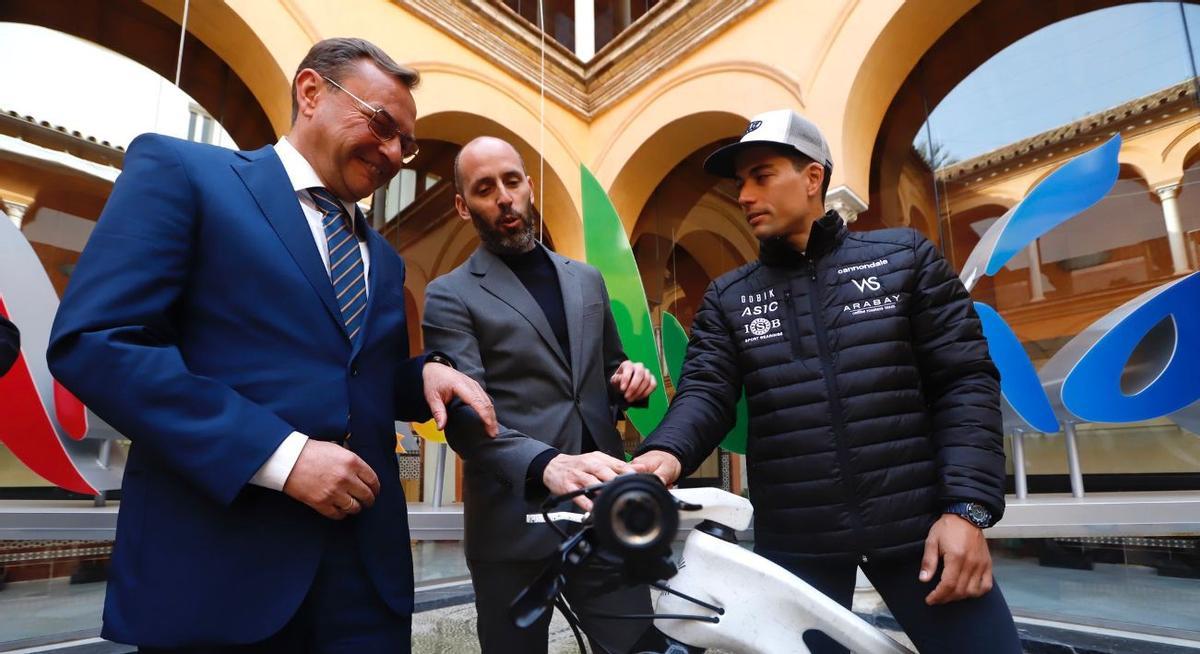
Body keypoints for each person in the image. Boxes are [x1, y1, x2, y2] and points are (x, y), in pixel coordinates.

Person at [47, 38, 497, 653]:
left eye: (407, 144)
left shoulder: (384, 261)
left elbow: (359, 376)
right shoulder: (186, 174)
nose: (394, 152)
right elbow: (97, 342)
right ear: (311, 93)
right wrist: (279, 456)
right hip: (220, 580)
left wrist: (420, 378)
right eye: (382, 125)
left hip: (364, 592)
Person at [631, 109, 1022, 653]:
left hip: (924, 534)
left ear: (812, 178)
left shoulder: (905, 258)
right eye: (740, 182)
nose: (743, 195)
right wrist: (666, 454)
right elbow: (706, 391)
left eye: (761, 175)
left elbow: (965, 382)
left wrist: (966, 511)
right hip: (799, 549)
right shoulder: (728, 297)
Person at [422, 136, 658, 654]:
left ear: (530, 185)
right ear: (464, 206)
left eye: (511, 180)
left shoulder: (587, 280)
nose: (503, 197)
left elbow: (608, 372)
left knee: (638, 647)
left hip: (603, 513)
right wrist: (545, 464)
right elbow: (463, 412)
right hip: (511, 523)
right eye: (485, 188)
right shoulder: (448, 294)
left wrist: (630, 381)